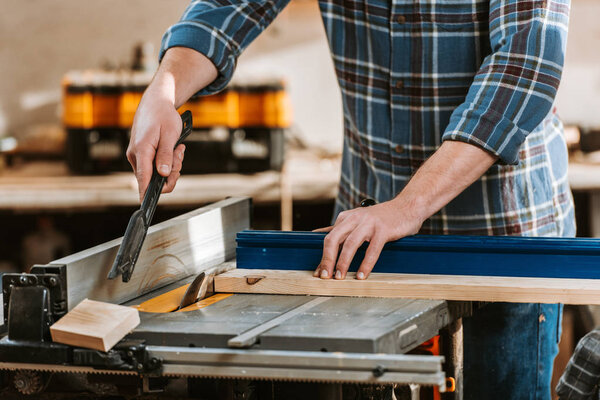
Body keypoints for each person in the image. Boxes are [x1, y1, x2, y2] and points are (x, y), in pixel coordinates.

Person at [127, 1, 573, 398]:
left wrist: (408, 206)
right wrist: (163, 90)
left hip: (500, 238)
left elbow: (526, 67)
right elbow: (228, 10)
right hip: (369, 239)